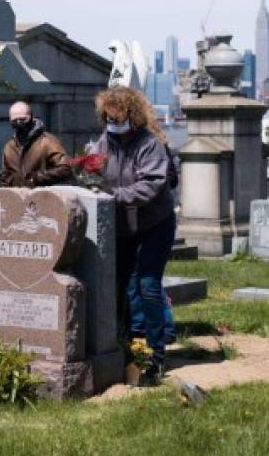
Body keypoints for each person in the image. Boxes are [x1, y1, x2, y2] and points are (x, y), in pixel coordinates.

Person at [92, 85, 175, 385]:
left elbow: (152, 184)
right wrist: (86, 174)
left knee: (149, 284)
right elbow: (95, 168)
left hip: (155, 222)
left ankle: (156, 353)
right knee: (123, 284)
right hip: (125, 224)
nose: (113, 123)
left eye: (118, 116)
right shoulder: (106, 142)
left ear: (132, 114)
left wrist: (115, 195)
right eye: (108, 118)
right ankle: (126, 344)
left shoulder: (149, 144)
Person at [0, 101, 73, 188]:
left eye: (23, 119)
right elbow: (5, 179)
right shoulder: (9, 147)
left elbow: (65, 169)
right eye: (14, 120)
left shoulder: (47, 141)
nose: (19, 123)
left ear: (31, 117)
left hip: (43, 197)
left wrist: (37, 178)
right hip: (18, 198)